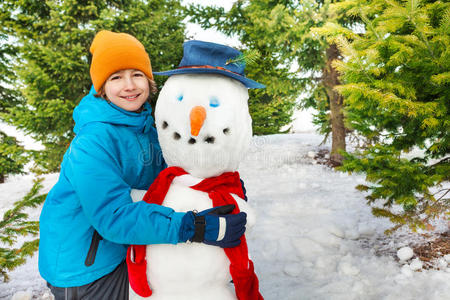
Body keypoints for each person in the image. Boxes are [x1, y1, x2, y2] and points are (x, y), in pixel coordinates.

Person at [38, 30, 247, 300]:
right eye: (116, 77)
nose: (129, 86)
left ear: (149, 80)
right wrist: (195, 227)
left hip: (124, 248)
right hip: (85, 269)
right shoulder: (91, 143)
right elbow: (113, 217)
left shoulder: (147, 127)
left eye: (137, 74)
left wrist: (219, 186)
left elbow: (175, 174)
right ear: (102, 87)